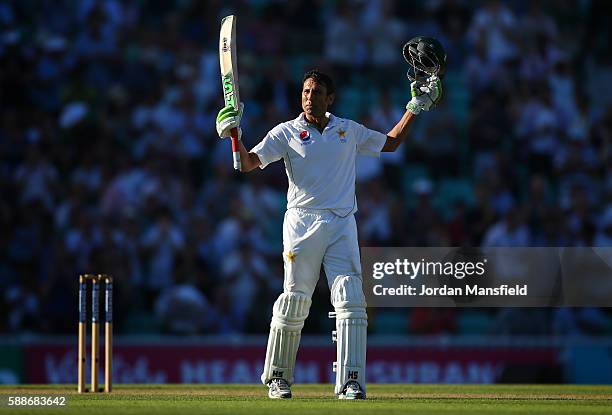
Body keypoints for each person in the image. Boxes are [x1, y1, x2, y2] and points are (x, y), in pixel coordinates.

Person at [215, 69, 442, 399]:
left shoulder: (347, 130)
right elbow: (247, 164)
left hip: (342, 222)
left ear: (330, 98)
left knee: (351, 300)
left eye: (317, 92)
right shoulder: (286, 132)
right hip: (301, 223)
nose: (309, 97)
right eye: (305, 91)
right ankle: (278, 377)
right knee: (295, 299)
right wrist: (234, 136)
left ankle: (350, 380)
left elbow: (391, 143)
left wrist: (415, 107)